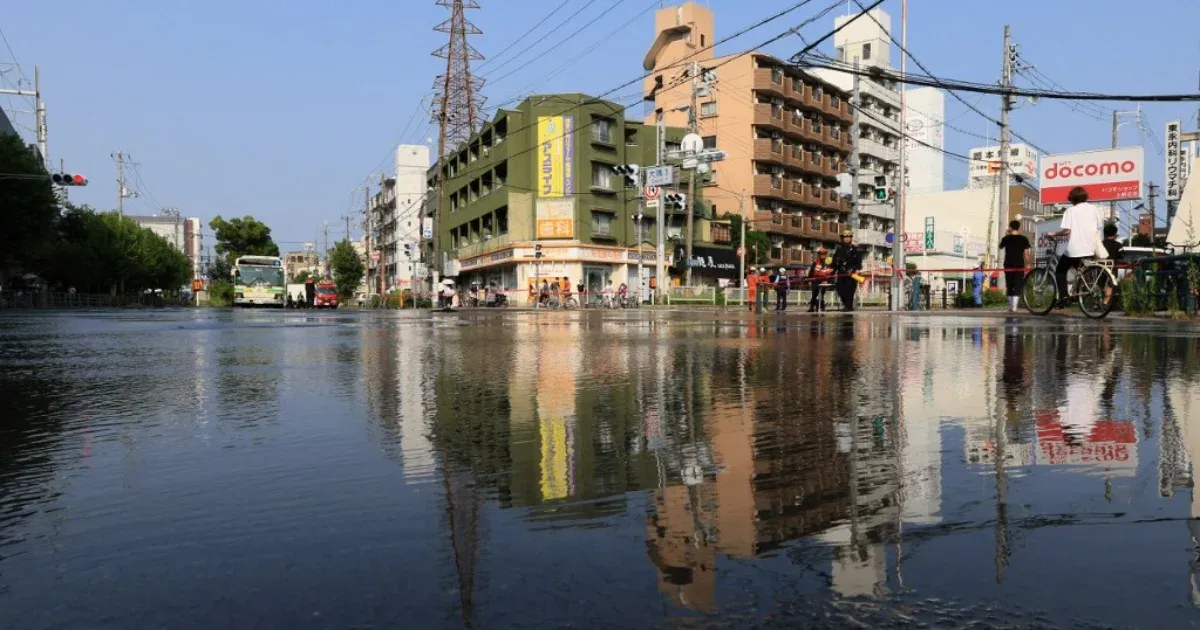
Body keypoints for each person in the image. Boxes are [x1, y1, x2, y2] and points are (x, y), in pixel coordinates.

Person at [1049, 186, 1103, 307]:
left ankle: (1064, 297)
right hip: (1090, 248)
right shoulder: (1094, 209)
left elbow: (1067, 231)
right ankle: (1088, 297)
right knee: (1084, 272)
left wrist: (1054, 234)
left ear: (1072, 198)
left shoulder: (1071, 211)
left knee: (1060, 271)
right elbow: (1098, 226)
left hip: (1075, 249)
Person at [998, 219, 1031, 313]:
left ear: (1010, 227)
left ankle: (1011, 307)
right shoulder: (1024, 239)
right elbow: (1026, 253)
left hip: (1008, 264)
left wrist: (1006, 233)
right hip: (1020, 265)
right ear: (1019, 227)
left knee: (1009, 284)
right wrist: (1028, 263)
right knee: (1018, 284)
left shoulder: (1006, 238)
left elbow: (1000, 247)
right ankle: (1015, 307)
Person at [832, 230, 863, 312]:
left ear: (851, 238)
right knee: (840, 289)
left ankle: (849, 306)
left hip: (851, 273)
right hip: (841, 273)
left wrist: (857, 269)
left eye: (848, 237)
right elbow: (834, 261)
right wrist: (832, 269)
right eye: (844, 237)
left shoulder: (855, 249)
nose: (846, 239)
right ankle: (846, 305)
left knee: (849, 290)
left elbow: (859, 262)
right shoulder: (839, 249)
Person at [807, 246, 832, 313]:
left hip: (823, 281)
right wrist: (809, 280)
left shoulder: (828, 263)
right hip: (815, 280)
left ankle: (821, 307)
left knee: (821, 294)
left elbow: (830, 273)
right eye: (821, 254)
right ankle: (812, 307)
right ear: (819, 254)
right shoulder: (815, 262)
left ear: (826, 254)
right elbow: (811, 272)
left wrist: (827, 281)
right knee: (814, 294)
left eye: (824, 254)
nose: (822, 255)